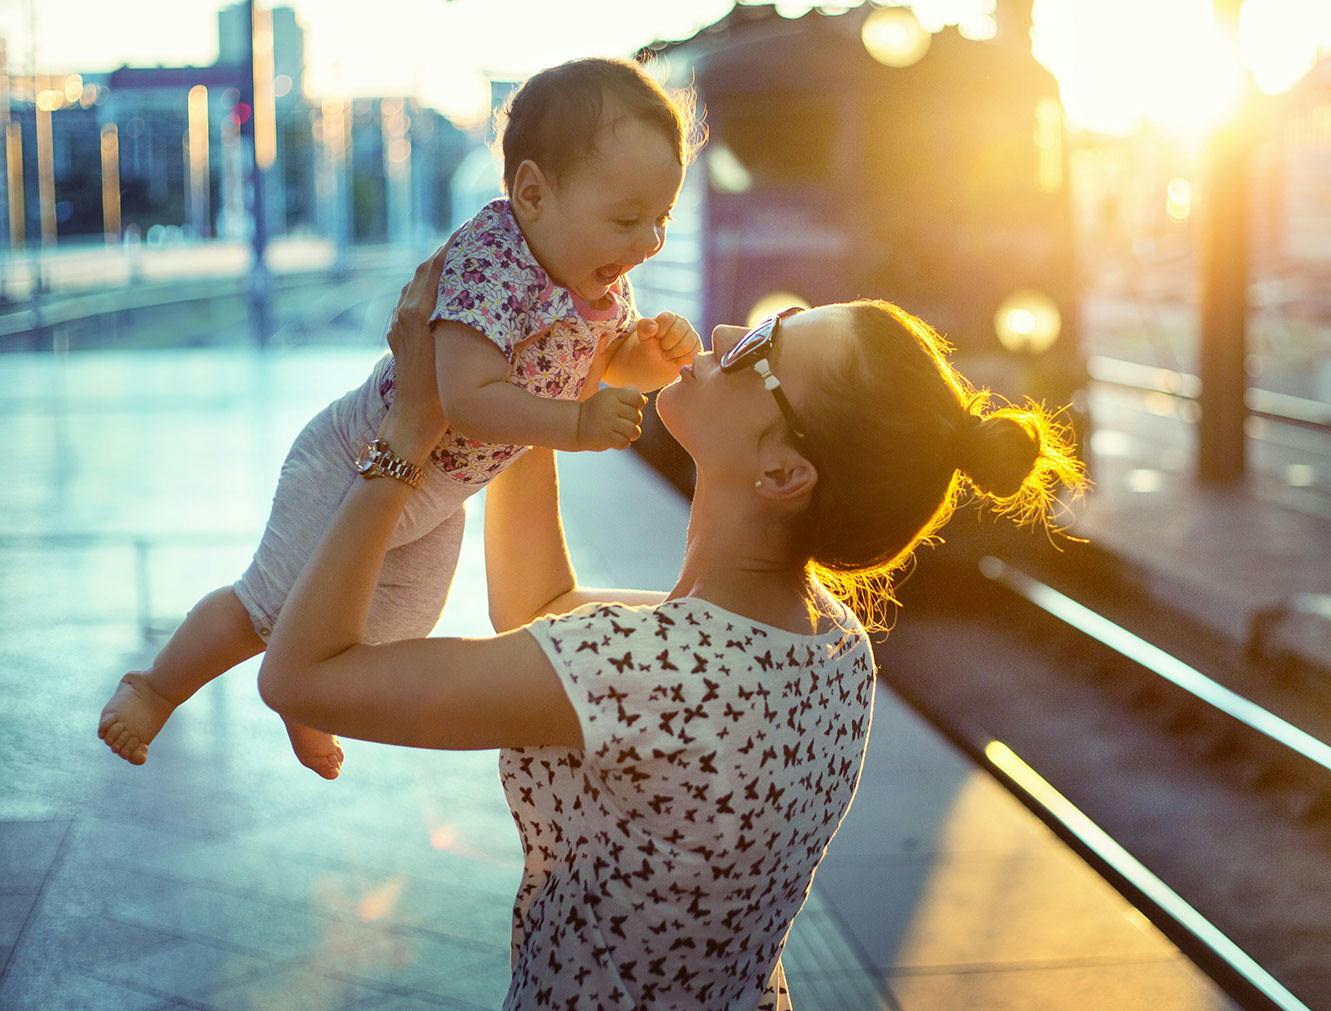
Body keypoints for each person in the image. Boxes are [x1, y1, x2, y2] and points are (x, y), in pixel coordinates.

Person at [253, 239, 1085, 1008]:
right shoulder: (828, 646)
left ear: (784, 470)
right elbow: (540, 609)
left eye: (763, 347)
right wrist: (546, 388)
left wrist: (408, 432)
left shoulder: (640, 670)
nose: (726, 330)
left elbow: (302, 679)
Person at [97, 57, 706, 777]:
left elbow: (602, 361)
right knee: (262, 607)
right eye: (627, 219)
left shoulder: (594, 273)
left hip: (437, 497)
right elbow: (464, 397)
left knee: (378, 646)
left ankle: (310, 691)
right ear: (533, 193)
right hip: (359, 460)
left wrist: (652, 356)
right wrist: (575, 428)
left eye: (661, 220)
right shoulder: (493, 262)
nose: (649, 244)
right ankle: (157, 686)